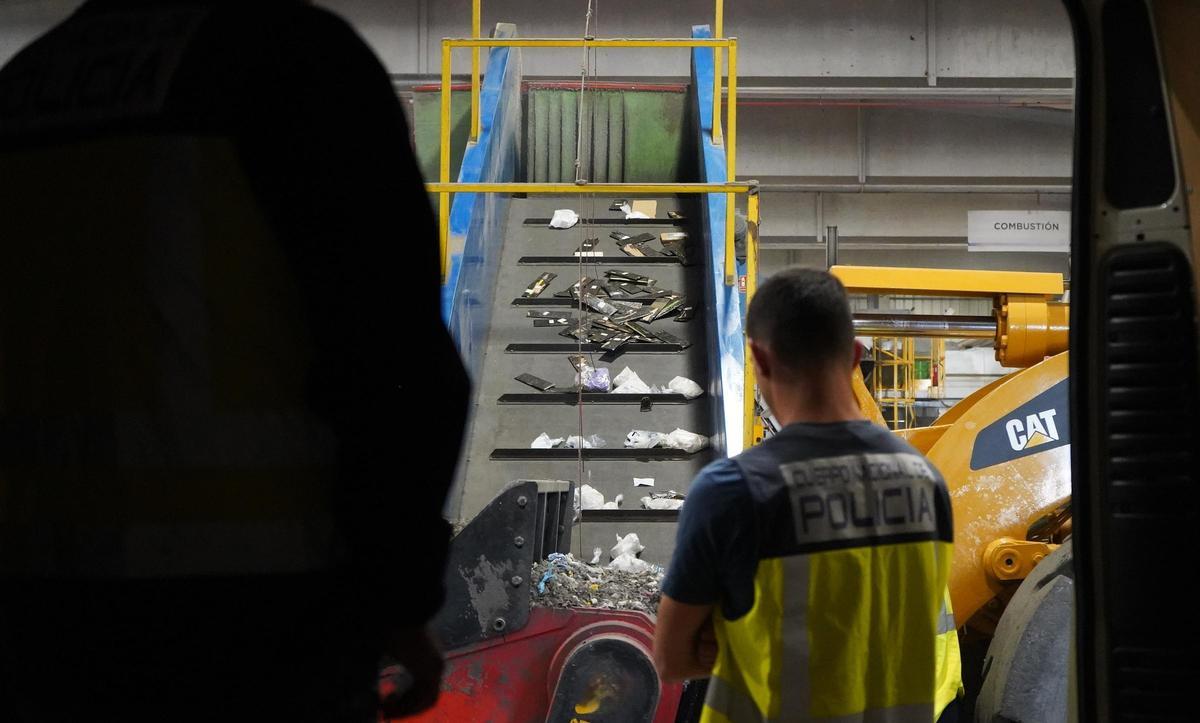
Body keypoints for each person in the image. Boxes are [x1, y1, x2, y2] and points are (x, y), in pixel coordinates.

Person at [0, 1, 468, 721]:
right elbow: (394, 365)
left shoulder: (25, 88)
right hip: (254, 620)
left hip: (38, 619)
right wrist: (400, 599)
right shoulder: (290, 62)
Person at [653, 268, 962, 722]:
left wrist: (735, 636)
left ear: (759, 360)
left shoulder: (735, 492)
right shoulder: (925, 481)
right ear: (856, 355)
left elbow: (672, 659)